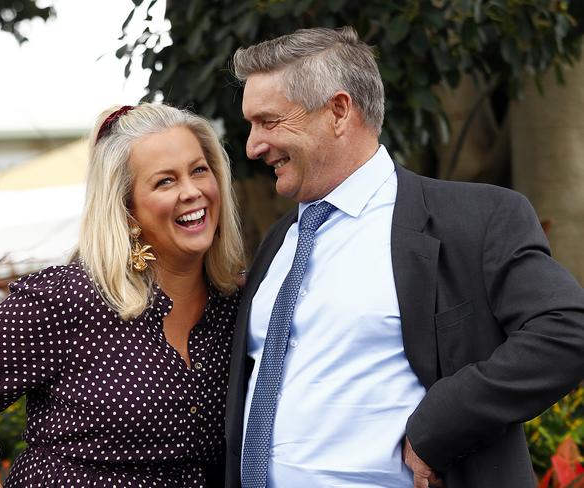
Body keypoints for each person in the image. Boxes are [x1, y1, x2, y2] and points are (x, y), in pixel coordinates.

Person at [224, 26, 584, 488]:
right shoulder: (278, 241)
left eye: (269, 122)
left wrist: (440, 423)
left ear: (338, 111)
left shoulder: (474, 220)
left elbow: (567, 328)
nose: (253, 145)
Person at [0, 102, 245, 487]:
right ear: (126, 208)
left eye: (199, 170)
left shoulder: (239, 305)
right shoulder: (71, 299)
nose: (192, 191)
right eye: (165, 181)